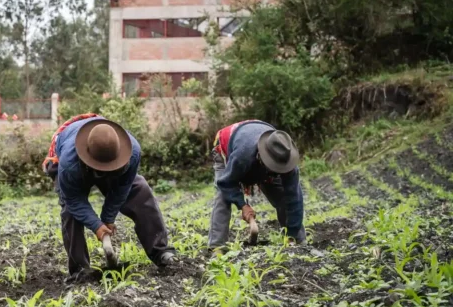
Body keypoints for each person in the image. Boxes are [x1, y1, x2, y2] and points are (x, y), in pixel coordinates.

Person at [43, 114, 176, 280]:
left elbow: (122, 187)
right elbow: (74, 200)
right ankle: (80, 271)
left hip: (112, 163)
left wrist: (108, 218)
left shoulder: (132, 151)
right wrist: (97, 226)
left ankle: (160, 251)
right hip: (74, 163)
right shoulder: (69, 164)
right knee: (70, 212)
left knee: (140, 189)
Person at [208, 120, 306, 250]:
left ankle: (298, 242)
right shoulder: (243, 155)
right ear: (261, 157)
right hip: (227, 147)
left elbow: (294, 199)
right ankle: (217, 247)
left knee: (282, 197)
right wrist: (242, 205)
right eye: (273, 167)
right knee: (223, 198)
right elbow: (226, 183)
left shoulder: (286, 160)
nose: (276, 171)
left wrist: (292, 235)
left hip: (255, 142)